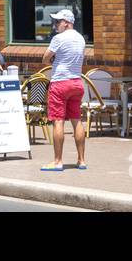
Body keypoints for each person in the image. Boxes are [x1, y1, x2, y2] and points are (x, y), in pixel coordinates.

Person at [41, 9, 86, 172]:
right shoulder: (81, 38)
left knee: (58, 121)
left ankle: (58, 161)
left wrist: (54, 60)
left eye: (58, 22)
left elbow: (45, 58)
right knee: (76, 120)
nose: (56, 25)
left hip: (60, 83)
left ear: (67, 23)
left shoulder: (58, 39)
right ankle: (81, 160)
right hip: (77, 82)